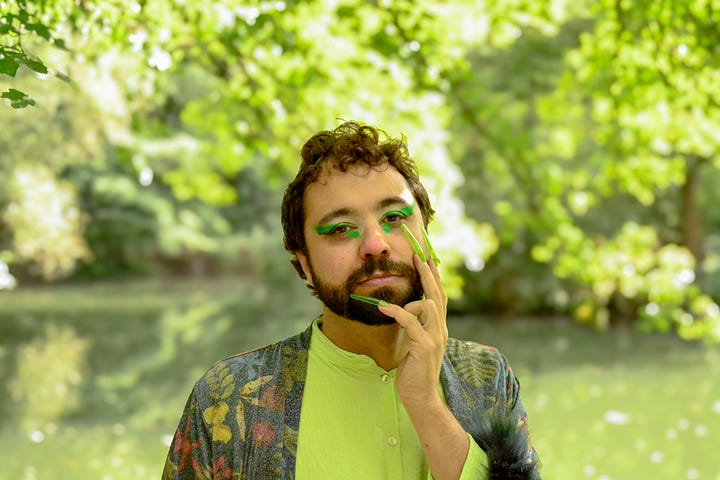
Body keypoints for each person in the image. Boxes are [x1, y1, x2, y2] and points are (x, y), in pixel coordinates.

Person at [162, 121, 540, 480]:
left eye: (394, 217)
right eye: (341, 229)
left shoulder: (488, 376)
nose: (376, 244)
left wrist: (426, 402)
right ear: (305, 266)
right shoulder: (228, 398)